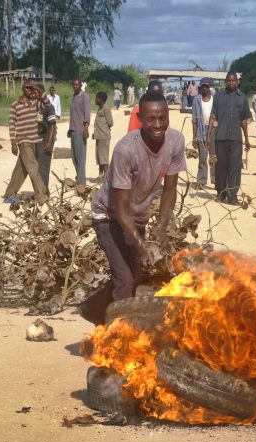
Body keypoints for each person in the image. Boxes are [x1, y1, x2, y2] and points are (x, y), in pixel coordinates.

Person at [88, 92, 185, 315]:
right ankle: (117, 337)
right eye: (151, 119)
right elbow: (121, 211)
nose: (158, 125)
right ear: (140, 118)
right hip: (109, 215)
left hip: (137, 215)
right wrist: (143, 248)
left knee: (135, 275)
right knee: (125, 279)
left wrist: (161, 228)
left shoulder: (176, 141)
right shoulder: (126, 150)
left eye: (163, 118)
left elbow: (170, 189)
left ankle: (92, 310)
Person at [206, 71, 251, 205]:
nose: (231, 83)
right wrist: (208, 136)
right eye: (229, 81)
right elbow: (213, 116)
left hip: (236, 138)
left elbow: (243, 120)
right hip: (221, 137)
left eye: (234, 81)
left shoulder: (243, 98)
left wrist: (247, 139)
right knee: (221, 167)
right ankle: (221, 193)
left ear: (237, 82)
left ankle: (233, 195)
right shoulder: (219, 97)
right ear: (226, 82)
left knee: (235, 167)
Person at [4, 80, 49, 204]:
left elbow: (47, 104)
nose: (30, 90)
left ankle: (9, 195)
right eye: (27, 88)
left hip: (35, 141)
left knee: (21, 170)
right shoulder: (15, 105)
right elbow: (12, 124)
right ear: (22, 89)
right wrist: (13, 142)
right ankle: (41, 193)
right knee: (33, 168)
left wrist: (38, 90)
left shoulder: (36, 103)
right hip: (24, 141)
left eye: (31, 88)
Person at [30, 83, 57, 191]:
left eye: (37, 92)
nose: (35, 94)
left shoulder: (49, 107)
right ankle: (40, 190)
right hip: (38, 141)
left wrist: (50, 143)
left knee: (44, 168)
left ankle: (45, 192)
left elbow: (53, 126)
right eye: (34, 92)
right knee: (37, 168)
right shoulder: (37, 106)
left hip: (46, 141)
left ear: (42, 92)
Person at [192, 77, 215, 188]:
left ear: (209, 87)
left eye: (206, 86)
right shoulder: (196, 100)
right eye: (202, 86)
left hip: (214, 130)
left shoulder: (215, 99)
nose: (204, 88)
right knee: (202, 157)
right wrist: (194, 136)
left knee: (213, 156)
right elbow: (194, 120)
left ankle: (216, 181)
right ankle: (201, 181)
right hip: (201, 130)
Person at [67, 78, 90, 186]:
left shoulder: (84, 96)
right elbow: (74, 115)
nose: (75, 86)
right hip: (73, 130)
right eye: (74, 84)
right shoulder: (74, 96)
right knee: (74, 156)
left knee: (81, 157)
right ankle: (79, 177)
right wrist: (70, 129)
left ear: (81, 85)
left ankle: (81, 182)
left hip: (80, 131)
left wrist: (86, 129)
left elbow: (87, 114)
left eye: (77, 85)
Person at [93, 91, 113, 179]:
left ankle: (107, 177)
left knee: (103, 158)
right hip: (99, 136)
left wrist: (104, 130)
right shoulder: (99, 109)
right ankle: (101, 175)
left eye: (97, 98)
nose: (95, 100)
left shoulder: (106, 109)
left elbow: (110, 122)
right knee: (99, 157)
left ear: (101, 100)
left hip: (104, 137)